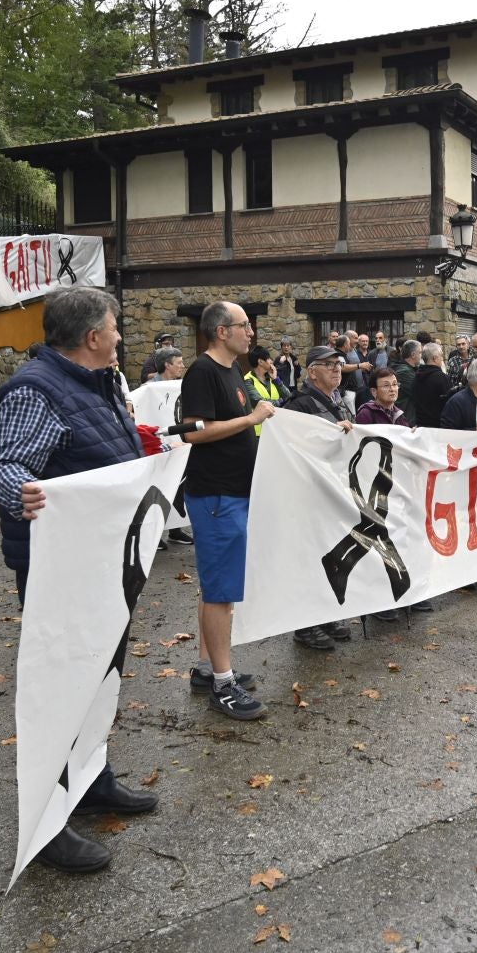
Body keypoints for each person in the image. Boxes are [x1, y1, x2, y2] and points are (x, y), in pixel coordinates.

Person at [0, 288, 169, 874]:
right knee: (63, 689)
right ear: (92, 336)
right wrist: (23, 492)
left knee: (98, 678)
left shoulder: (102, 383)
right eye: (115, 327)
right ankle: (46, 824)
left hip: (102, 561)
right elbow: (5, 468)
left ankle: (91, 782)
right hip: (59, 567)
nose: (120, 336)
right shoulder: (34, 390)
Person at [168, 302, 277, 712]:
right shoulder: (203, 371)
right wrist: (250, 420)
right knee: (221, 593)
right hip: (216, 496)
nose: (251, 332)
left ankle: (206, 667)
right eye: (244, 325)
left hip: (233, 492)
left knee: (216, 586)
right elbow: (195, 432)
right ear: (220, 332)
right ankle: (223, 684)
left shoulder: (232, 370)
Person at [279, 346, 360, 646]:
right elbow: (293, 447)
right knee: (309, 558)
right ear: (312, 371)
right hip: (308, 495)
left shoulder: (338, 402)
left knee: (331, 555)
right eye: (328, 365)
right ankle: (304, 625)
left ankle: (325, 615)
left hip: (333, 492)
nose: (337, 369)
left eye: (338, 364)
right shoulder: (298, 406)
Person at [242, 344, 290, 430]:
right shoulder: (247, 380)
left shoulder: (272, 378)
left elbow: (288, 396)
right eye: (268, 358)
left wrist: (276, 379)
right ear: (260, 361)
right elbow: (260, 403)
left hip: (275, 430)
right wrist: (281, 401)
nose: (271, 361)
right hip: (258, 434)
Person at [410, 342, 456, 428]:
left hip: (421, 427)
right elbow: (451, 404)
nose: (442, 358)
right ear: (435, 358)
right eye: (441, 355)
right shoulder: (441, 378)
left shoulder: (415, 377)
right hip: (438, 428)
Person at [394, 339, 422, 412]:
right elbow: (419, 392)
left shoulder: (411, 369)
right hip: (406, 416)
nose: (421, 356)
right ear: (413, 355)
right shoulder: (404, 372)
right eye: (420, 353)